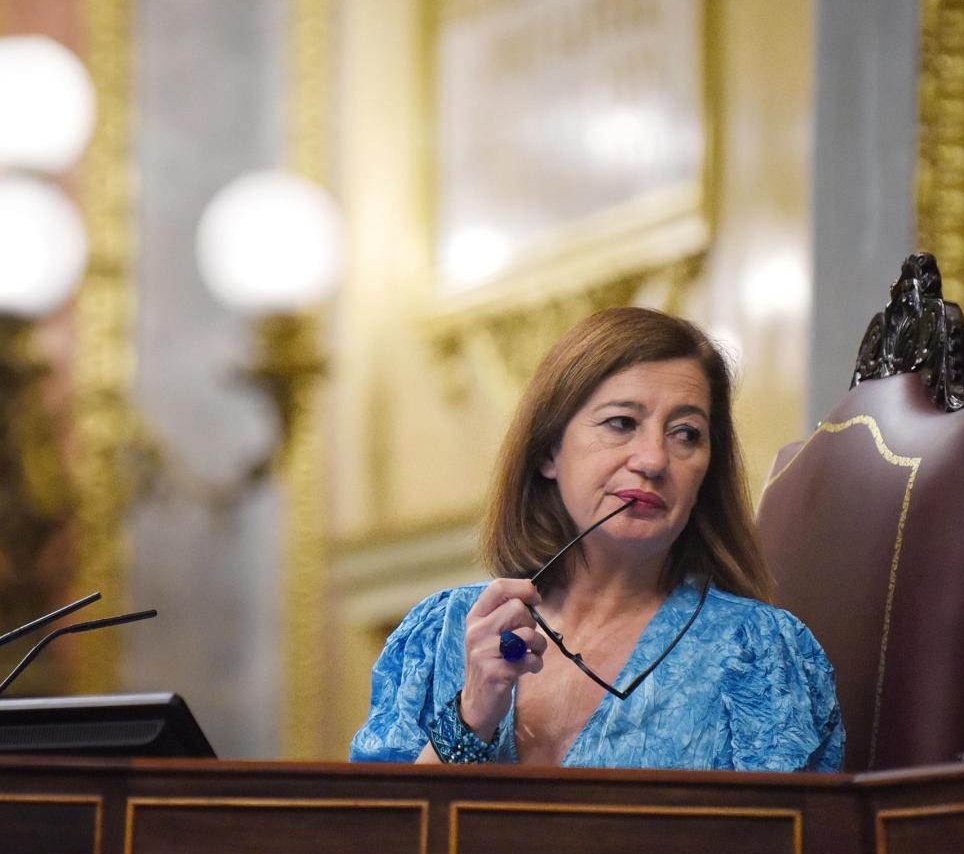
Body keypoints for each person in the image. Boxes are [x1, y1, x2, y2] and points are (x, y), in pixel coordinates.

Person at [349, 307, 843, 770]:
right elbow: (377, 843)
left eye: (686, 433)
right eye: (621, 424)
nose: (653, 460)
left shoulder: (760, 652)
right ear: (548, 453)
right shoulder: (441, 635)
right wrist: (472, 714)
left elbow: (792, 852)